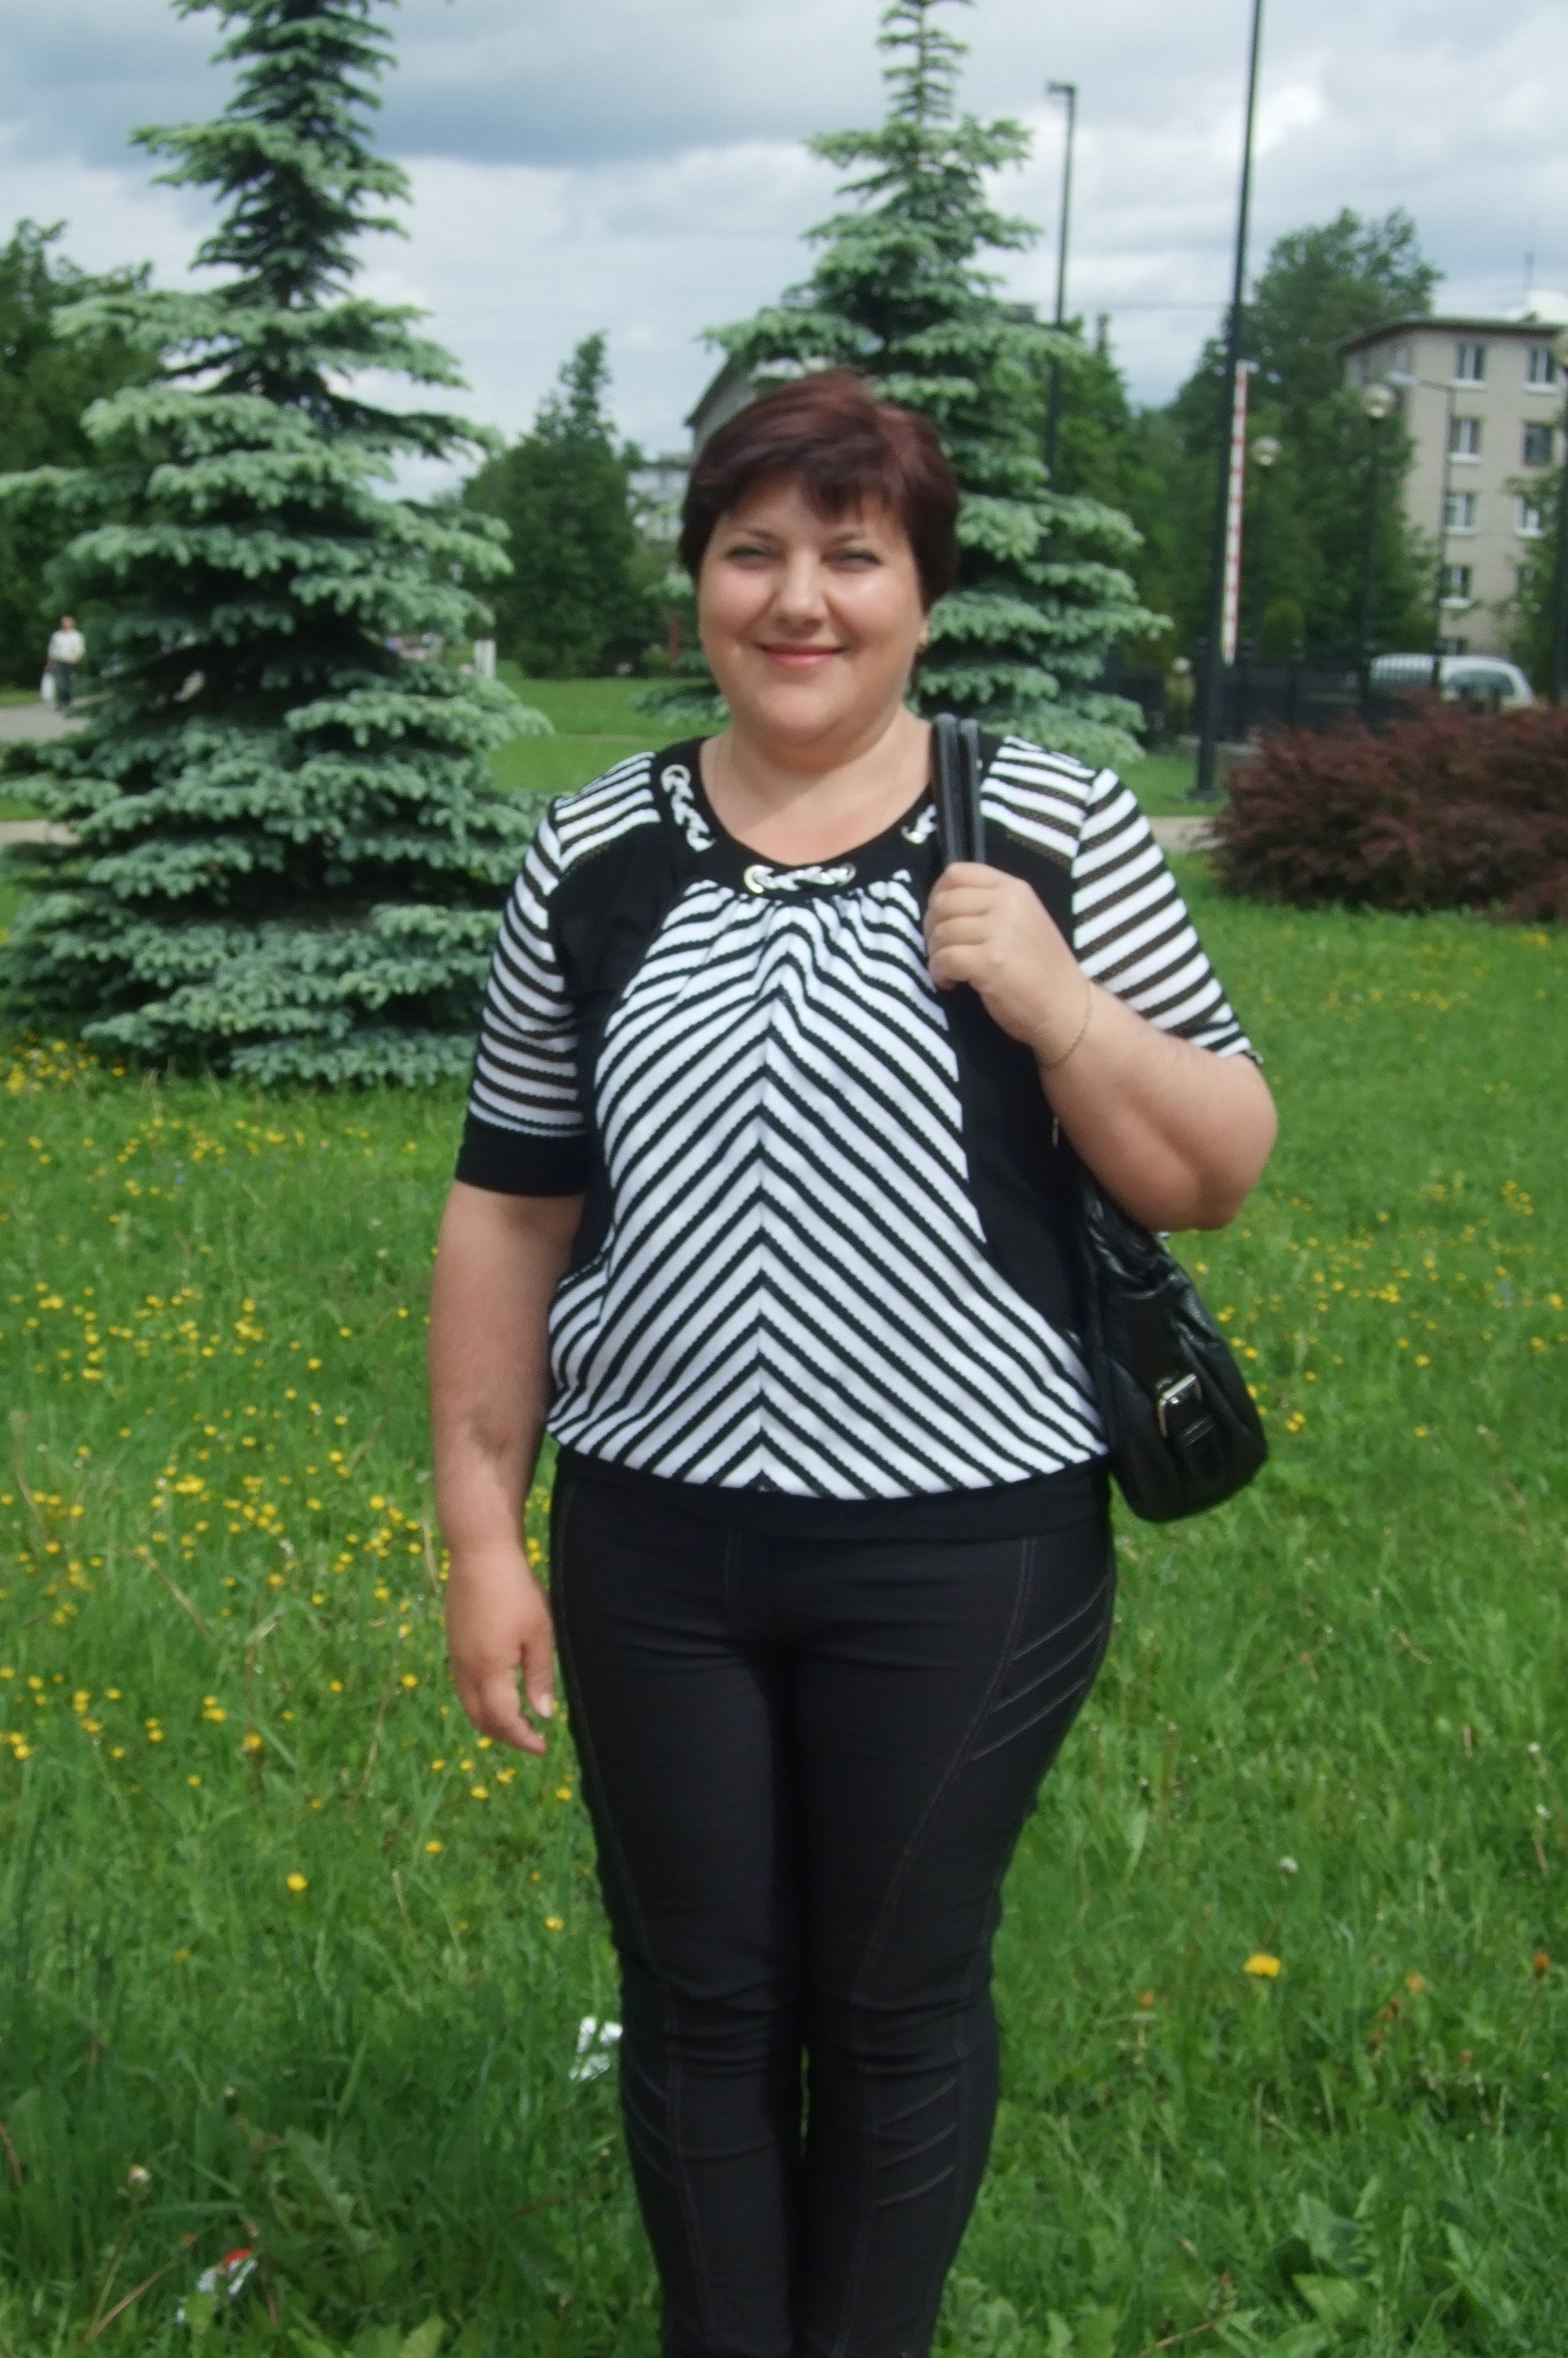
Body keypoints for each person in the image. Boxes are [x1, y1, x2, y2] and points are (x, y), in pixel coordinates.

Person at [430, 373, 1277, 2358]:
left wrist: (1061, 1005)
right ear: (697, 583)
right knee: (702, 1998)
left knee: (893, 1997)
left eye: (851, 554)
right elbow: (511, 1211)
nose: (797, 599)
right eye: (753, 552)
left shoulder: (1050, 824)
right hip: (655, 1543)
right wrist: (482, 1530)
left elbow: (1216, 1169)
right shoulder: (593, 853)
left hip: (966, 1546)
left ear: (922, 591)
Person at [46, 614, 85, 713]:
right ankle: (61, 703)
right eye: (64, 622)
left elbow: (80, 650)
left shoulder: (77, 636)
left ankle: (68, 703)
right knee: (60, 684)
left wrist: (76, 660)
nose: (65, 624)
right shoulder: (57, 636)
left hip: (71, 662)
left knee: (69, 684)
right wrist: (49, 664)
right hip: (59, 662)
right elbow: (52, 651)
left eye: (68, 622)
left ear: (72, 623)